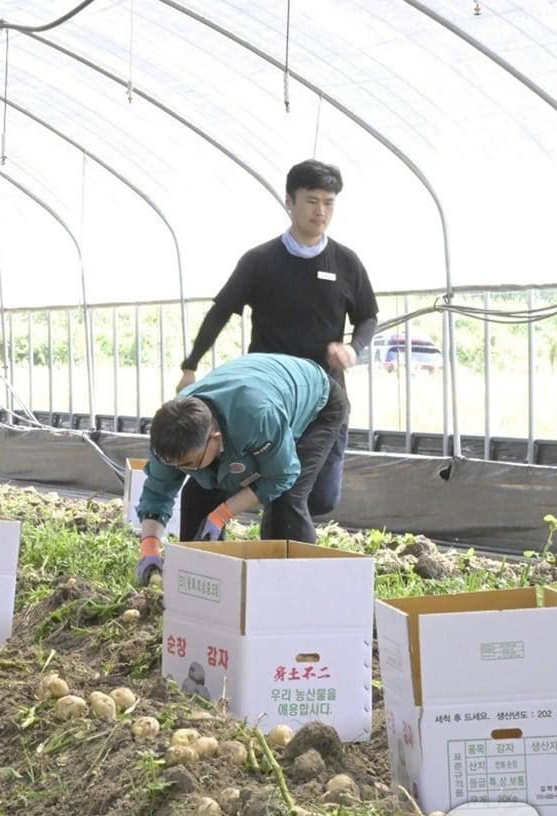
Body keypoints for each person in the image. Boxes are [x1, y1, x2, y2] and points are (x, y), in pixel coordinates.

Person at [173, 160, 376, 525]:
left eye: (329, 202)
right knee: (286, 495)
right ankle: (248, 557)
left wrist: (353, 348)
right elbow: (221, 311)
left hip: (324, 398)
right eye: (312, 201)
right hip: (265, 402)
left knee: (321, 496)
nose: (321, 211)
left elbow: (368, 317)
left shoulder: (346, 263)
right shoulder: (261, 261)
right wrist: (191, 365)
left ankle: (267, 525)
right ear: (289, 201)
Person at [134, 353, 349, 586]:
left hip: (317, 402)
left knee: (287, 500)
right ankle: (202, 583)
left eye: (187, 464)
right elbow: (158, 491)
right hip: (259, 389)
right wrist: (149, 546)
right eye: (173, 464)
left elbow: (280, 476)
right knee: (198, 492)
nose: (178, 470)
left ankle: (293, 584)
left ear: (215, 438)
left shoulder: (257, 417)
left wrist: (221, 515)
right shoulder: (170, 432)